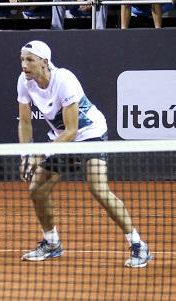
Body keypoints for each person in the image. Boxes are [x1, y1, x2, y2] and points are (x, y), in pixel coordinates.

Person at [17, 40, 152, 268]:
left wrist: (39, 154)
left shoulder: (64, 80)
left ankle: (138, 245)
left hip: (90, 133)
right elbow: (25, 122)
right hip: (60, 138)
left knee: (98, 188)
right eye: (22, 59)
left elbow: (72, 131)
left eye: (30, 59)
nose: (24, 64)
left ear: (45, 62)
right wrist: (25, 154)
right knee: (36, 190)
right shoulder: (24, 81)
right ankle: (52, 243)